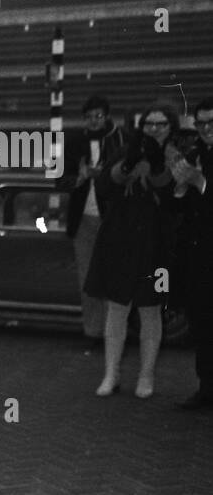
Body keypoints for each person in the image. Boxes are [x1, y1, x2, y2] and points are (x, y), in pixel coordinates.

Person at [84, 100, 180, 398]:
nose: (154, 129)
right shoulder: (128, 148)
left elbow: (171, 191)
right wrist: (127, 165)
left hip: (157, 243)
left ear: (170, 126)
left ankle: (146, 376)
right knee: (117, 308)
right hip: (122, 240)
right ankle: (111, 373)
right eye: (149, 124)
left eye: (160, 124)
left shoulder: (177, 152)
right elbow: (105, 184)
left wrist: (155, 166)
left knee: (150, 310)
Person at [61, 96, 128, 350]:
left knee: (113, 277)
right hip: (83, 219)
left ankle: (114, 333)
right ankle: (92, 332)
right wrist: (79, 179)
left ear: (107, 116)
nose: (94, 121)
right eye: (89, 116)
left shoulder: (120, 140)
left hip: (112, 218)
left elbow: (128, 176)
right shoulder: (74, 141)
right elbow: (60, 180)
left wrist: (106, 176)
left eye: (98, 116)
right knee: (86, 279)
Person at [170, 98, 213, 410]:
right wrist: (183, 187)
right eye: (201, 124)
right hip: (199, 252)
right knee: (200, 319)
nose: (206, 130)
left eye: (212, 123)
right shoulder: (198, 152)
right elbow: (184, 206)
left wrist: (199, 182)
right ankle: (206, 387)